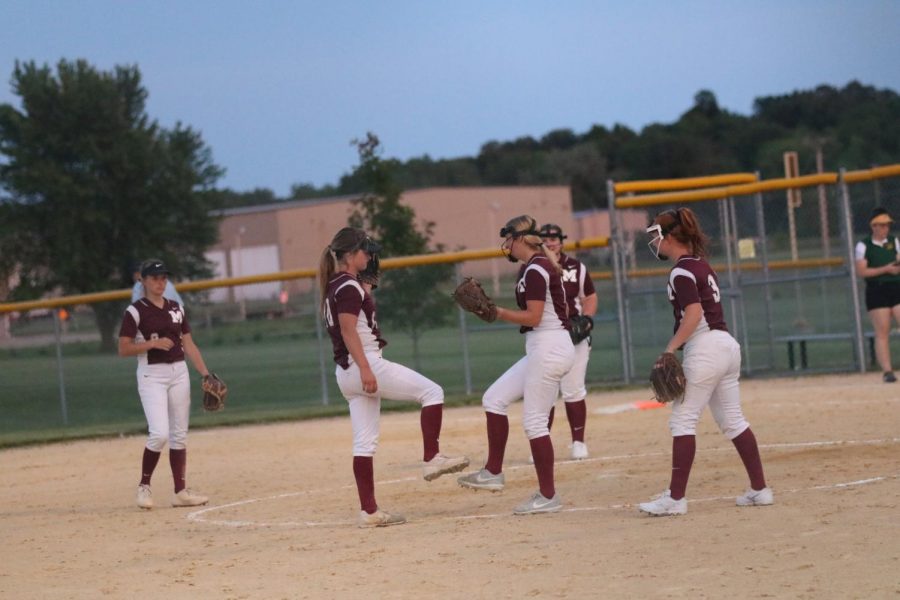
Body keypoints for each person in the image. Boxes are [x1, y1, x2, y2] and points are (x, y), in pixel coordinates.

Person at [319, 227, 469, 528]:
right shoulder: (347, 287)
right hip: (363, 364)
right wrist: (365, 367)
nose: (370, 255)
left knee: (364, 444)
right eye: (365, 250)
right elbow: (349, 330)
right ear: (350, 255)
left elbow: (356, 322)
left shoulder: (338, 284)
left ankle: (370, 512)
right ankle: (432, 457)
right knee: (432, 392)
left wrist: (367, 290)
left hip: (345, 372)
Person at [637, 208, 773, 516]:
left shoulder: (681, 271)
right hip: (726, 345)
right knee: (734, 421)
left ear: (669, 237)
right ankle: (760, 489)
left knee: (682, 421)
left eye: (657, 235)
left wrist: (670, 350)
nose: (654, 242)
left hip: (705, 348)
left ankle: (675, 498)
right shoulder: (701, 266)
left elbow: (694, 314)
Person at [457, 215, 575, 515]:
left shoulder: (536, 269)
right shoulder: (532, 267)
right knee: (494, 399)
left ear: (520, 238)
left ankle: (548, 495)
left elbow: (534, 317)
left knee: (535, 423)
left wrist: (496, 312)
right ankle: (493, 472)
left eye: (508, 238)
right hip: (544, 347)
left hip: (549, 347)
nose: (505, 244)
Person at [118, 259, 212, 510]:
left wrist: (205, 373)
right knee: (159, 433)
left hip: (179, 371)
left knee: (179, 434)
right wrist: (151, 344)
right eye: (155, 278)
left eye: (163, 278)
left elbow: (189, 344)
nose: (160, 282)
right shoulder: (135, 311)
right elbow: (124, 348)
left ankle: (180, 491)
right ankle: (144, 487)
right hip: (152, 375)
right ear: (144, 281)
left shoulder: (176, 308)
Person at [537, 223, 597, 460]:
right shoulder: (535, 267)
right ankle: (543, 443)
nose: (551, 243)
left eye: (555, 239)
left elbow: (589, 296)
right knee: (546, 392)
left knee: (573, 389)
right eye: (546, 239)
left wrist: (588, 319)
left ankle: (578, 442)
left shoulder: (576, 267)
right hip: (547, 334)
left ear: (561, 242)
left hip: (574, 333)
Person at [855, 207, 900, 383]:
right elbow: (862, 271)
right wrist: (886, 269)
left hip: (896, 286)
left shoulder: (894, 241)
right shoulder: (864, 245)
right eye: (881, 225)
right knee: (882, 330)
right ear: (873, 226)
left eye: (887, 225)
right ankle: (887, 371)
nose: (884, 229)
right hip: (877, 289)